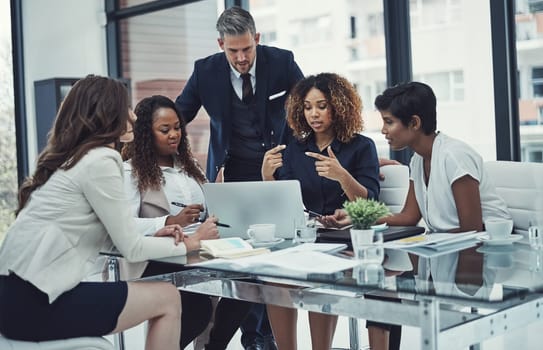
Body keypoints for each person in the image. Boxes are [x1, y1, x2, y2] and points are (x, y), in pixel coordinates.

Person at [0, 75, 189, 349]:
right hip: (34, 303)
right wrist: (190, 245)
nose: (133, 116)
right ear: (109, 112)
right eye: (126, 107)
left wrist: (159, 234)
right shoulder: (102, 159)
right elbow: (132, 249)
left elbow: (113, 232)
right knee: (168, 298)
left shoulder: (73, 159)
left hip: (13, 298)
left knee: (164, 295)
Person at [322, 81, 512, 350]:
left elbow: (472, 229)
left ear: (414, 122)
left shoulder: (454, 156)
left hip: (478, 261)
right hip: (444, 256)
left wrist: (425, 243)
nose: (384, 130)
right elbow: (409, 216)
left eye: (389, 122)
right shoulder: (417, 159)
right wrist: (357, 217)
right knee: (383, 287)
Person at [175, 7, 304, 350]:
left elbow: (311, 106)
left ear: (257, 39)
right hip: (231, 172)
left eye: (247, 48)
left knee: (274, 248)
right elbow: (178, 115)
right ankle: (255, 338)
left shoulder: (282, 62)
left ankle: (266, 337)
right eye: (233, 51)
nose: (242, 57)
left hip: (277, 166)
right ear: (221, 44)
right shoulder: (205, 71)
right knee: (242, 254)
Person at [261, 72, 380, 350]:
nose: (314, 113)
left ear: (338, 107)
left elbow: (371, 204)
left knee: (321, 278)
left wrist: (343, 177)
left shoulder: (362, 147)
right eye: (307, 106)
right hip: (306, 238)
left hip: (346, 242)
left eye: (322, 105)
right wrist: (267, 177)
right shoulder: (294, 150)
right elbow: (285, 204)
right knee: (274, 278)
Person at [123, 95, 252, 350]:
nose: (174, 134)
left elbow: (208, 211)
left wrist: (218, 209)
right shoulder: (131, 172)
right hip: (157, 259)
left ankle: (213, 346)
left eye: (177, 127)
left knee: (251, 280)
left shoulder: (189, 167)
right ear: (146, 134)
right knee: (196, 307)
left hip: (197, 251)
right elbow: (123, 225)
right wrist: (170, 220)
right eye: (164, 129)